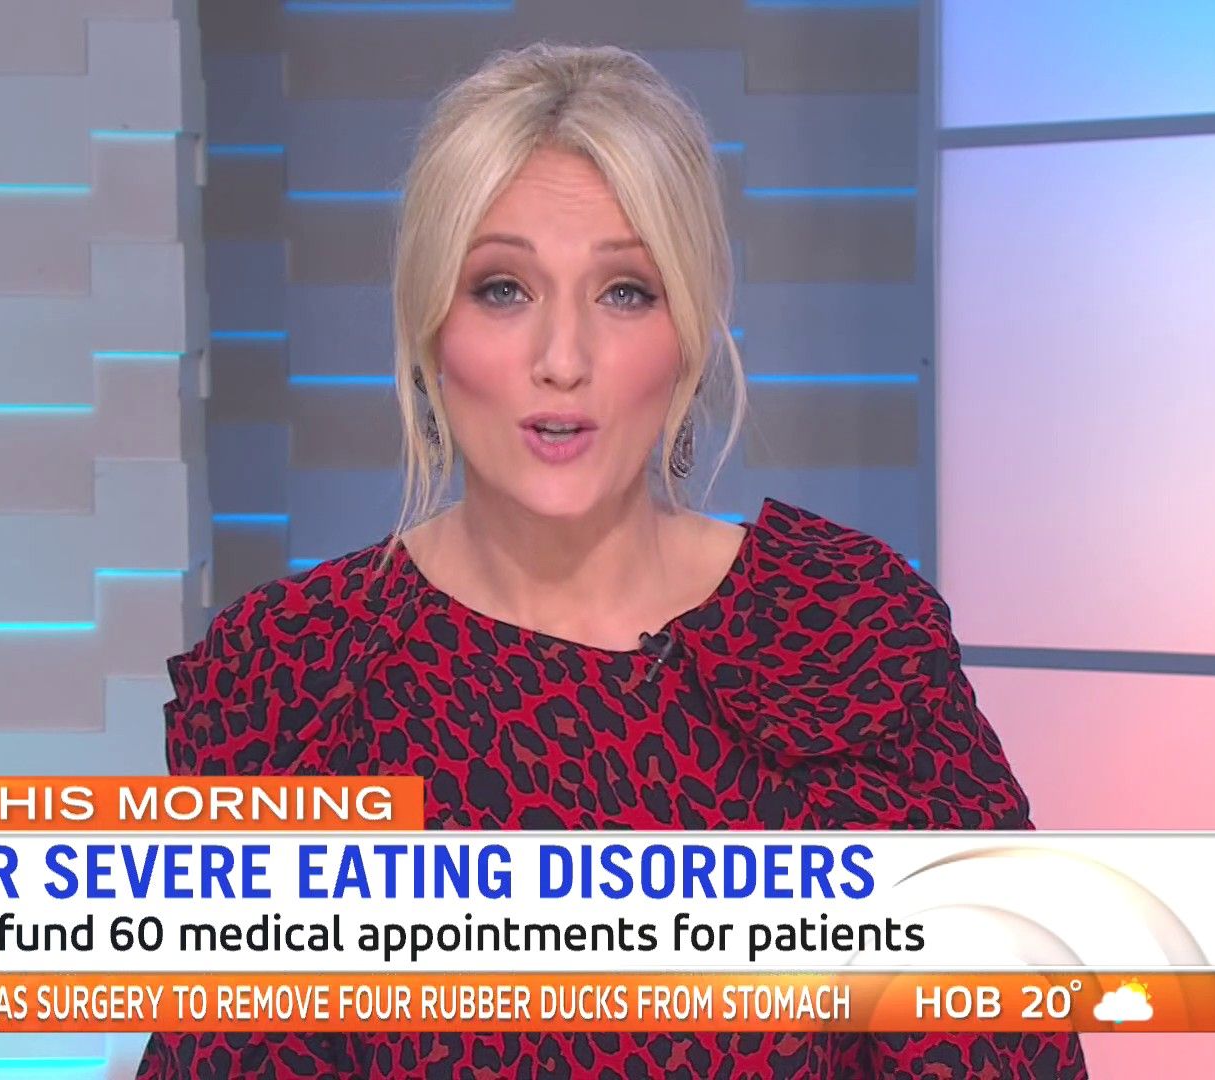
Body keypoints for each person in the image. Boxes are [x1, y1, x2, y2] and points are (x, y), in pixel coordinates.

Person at [137, 42, 1086, 1080]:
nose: (564, 359)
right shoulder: (296, 677)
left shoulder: (845, 632)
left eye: (625, 292)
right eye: (503, 288)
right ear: (429, 330)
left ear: (688, 335)